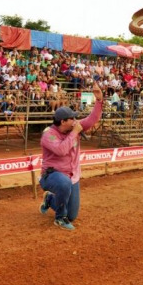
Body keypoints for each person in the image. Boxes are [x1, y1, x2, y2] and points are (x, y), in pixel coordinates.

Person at [38, 82, 104, 231]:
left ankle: (50, 199)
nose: (75, 121)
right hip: (52, 175)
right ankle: (59, 218)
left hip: (72, 175)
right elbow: (61, 150)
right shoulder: (48, 134)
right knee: (63, 184)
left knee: (72, 214)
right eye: (72, 119)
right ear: (63, 122)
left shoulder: (73, 127)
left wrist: (99, 100)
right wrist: (75, 133)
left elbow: (92, 119)